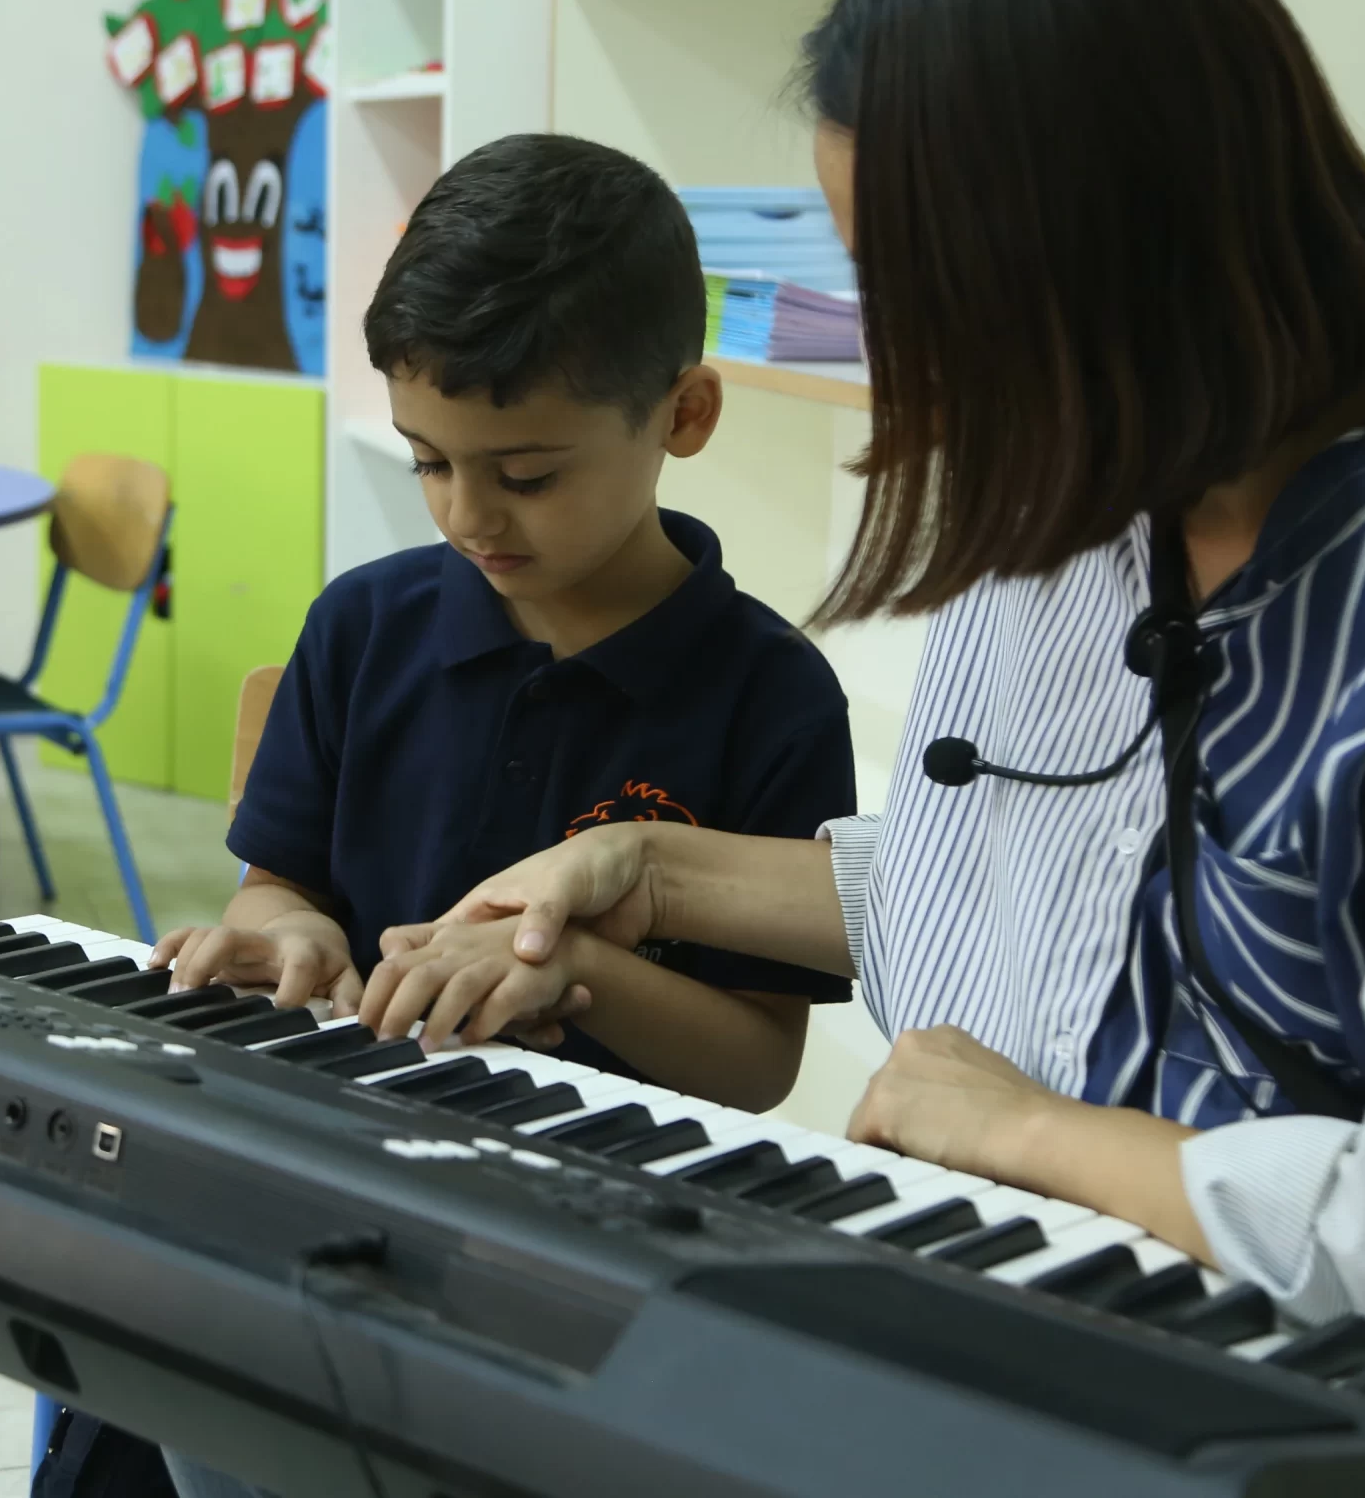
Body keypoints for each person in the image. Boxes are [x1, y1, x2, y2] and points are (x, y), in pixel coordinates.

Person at [372, 0, 1365, 1414]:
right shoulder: (1122, 479)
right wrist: (653, 869)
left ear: (1115, 265)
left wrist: (1040, 1135)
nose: (898, 360)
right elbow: (1041, 885)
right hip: (1079, 1323)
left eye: (920, 294)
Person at [132, 132, 859, 1498]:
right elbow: (278, 888)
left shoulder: (770, 693)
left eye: (525, 474)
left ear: (683, 416)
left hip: (602, 1245)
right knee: (204, 1396)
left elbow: (759, 1061)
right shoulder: (364, 627)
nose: (470, 514)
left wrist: (578, 972)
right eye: (428, 462)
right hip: (333, 1183)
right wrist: (288, 939)